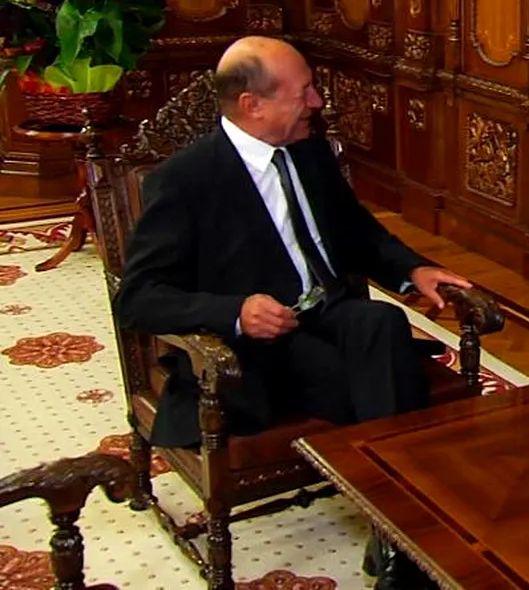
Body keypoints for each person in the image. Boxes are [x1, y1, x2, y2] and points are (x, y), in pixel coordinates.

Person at [116, 36, 461, 589]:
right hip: (256, 348)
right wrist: (235, 311)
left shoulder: (309, 152)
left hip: (326, 310)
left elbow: (359, 233)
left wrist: (412, 270)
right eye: (305, 92)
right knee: (385, 383)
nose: (318, 102)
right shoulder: (185, 180)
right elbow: (137, 298)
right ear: (252, 104)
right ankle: (406, 542)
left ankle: (395, 537)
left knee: (384, 323)